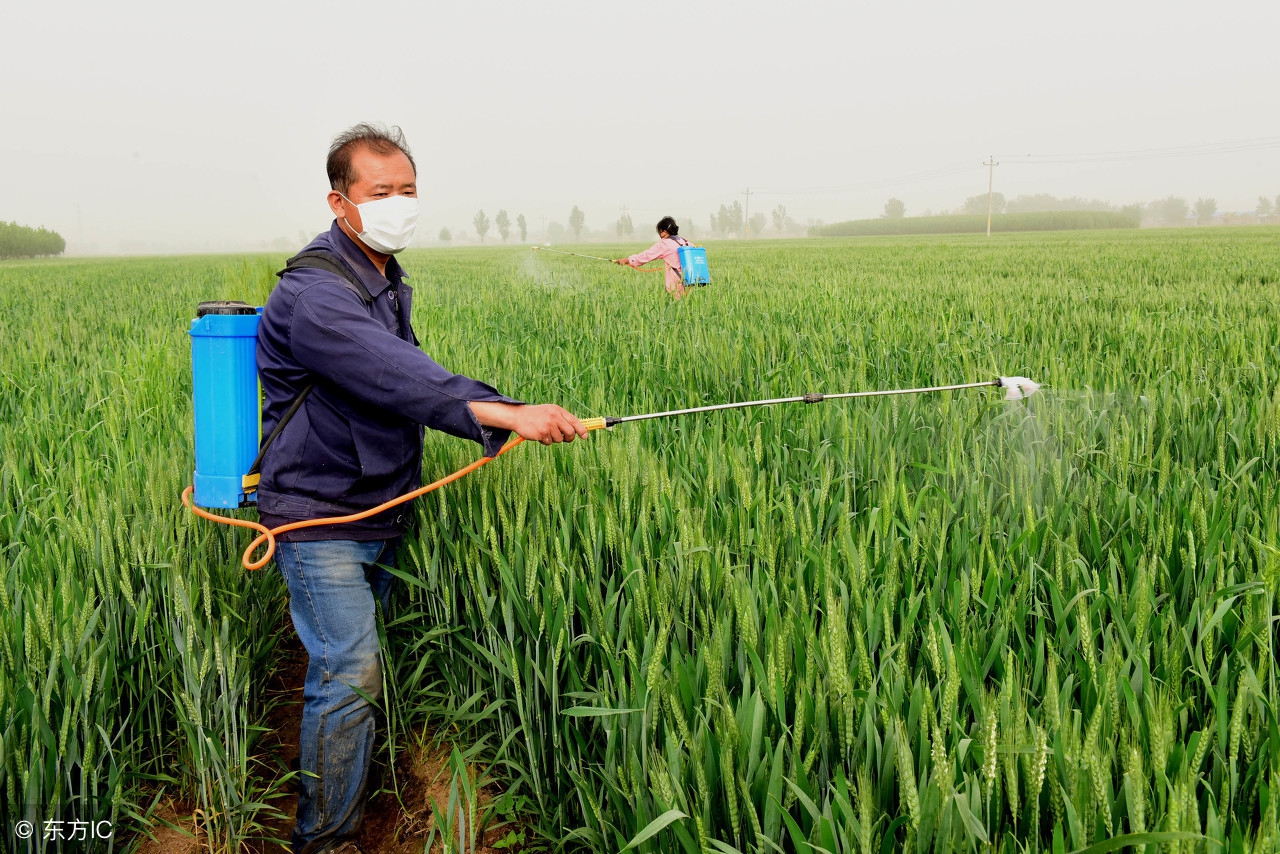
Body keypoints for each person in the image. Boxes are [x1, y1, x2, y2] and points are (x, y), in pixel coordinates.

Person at [255, 123, 588, 854]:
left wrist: (492, 419)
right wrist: (503, 414)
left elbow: (405, 377)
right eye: (382, 193)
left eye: (408, 190)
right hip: (318, 518)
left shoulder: (380, 277)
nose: (400, 204)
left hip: (378, 506)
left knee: (350, 665)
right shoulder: (315, 294)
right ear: (341, 203)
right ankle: (328, 838)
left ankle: (354, 794)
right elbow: (394, 373)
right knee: (349, 668)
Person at [613, 216, 695, 299]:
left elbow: (647, 255)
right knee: (689, 304)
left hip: (677, 281)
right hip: (691, 279)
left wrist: (628, 260)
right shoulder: (684, 241)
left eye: (660, 231)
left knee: (679, 304)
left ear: (664, 231)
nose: (660, 235)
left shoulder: (665, 244)